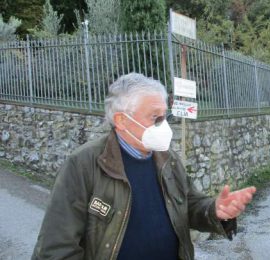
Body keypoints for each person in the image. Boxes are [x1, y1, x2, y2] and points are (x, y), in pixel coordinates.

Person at [32, 73, 256, 260]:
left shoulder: (168, 160)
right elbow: (56, 249)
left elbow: (188, 204)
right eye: (155, 118)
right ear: (121, 120)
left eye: (164, 117)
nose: (164, 126)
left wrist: (215, 210)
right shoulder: (82, 165)